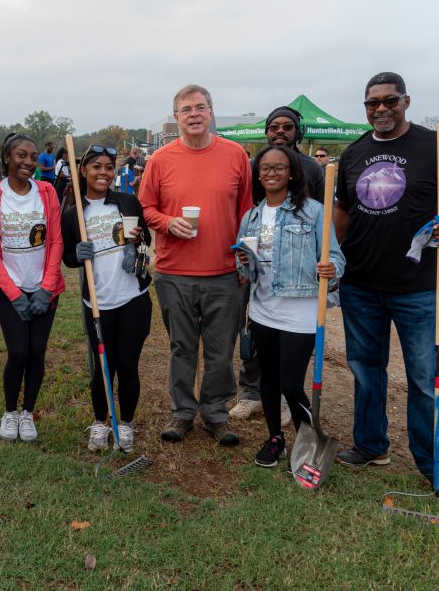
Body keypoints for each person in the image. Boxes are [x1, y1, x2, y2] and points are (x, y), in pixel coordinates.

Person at [334, 72, 439, 502]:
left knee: (425, 378)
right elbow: (343, 208)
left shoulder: (433, 147)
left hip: (418, 286)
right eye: (372, 103)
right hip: (361, 283)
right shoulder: (355, 152)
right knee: (365, 370)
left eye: (389, 101)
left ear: (406, 101)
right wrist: (333, 252)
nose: (380, 109)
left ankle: (435, 464)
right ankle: (370, 445)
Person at [139, 84, 253, 445]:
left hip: (224, 272)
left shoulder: (235, 156)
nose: (194, 114)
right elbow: (146, 208)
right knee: (182, 348)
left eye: (200, 107)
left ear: (211, 112)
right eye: (186, 109)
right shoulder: (160, 159)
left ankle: (216, 414)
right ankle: (183, 412)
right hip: (174, 273)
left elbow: (246, 210)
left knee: (221, 350)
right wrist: (166, 222)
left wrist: (243, 255)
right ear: (176, 118)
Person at [235, 145, 344, 467]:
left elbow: (335, 256)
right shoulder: (251, 217)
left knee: (290, 383)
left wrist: (332, 268)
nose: (271, 172)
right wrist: (243, 263)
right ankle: (275, 440)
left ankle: (309, 443)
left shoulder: (313, 212)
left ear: (292, 172)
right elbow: (246, 271)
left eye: (279, 167)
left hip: (301, 311)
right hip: (263, 309)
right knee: (268, 378)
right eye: (265, 167)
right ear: (258, 174)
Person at [231, 106, 325, 426]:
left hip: (298, 267)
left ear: (297, 131)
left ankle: (288, 397)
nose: (280, 131)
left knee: (290, 345)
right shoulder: (254, 165)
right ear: (266, 131)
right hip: (260, 257)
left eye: (287, 126)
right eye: (274, 126)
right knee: (253, 331)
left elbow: (324, 219)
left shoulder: (312, 168)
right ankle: (251, 393)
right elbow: (247, 207)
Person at [62, 144, 152, 452]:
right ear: (84, 171)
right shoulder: (74, 213)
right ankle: (101, 422)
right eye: (97, 167)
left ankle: (125, 423)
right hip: (98, 302)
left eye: (109, 167)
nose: (104, 173)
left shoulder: (127, 201)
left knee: (127, 364)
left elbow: (146, 239)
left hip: (132, 298)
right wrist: (76, 254)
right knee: (103, 366)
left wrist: (137, 242)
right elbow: (67, 258)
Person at [0, 133, 65, 443]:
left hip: (44, 288)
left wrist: (46, 288)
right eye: (21, 155)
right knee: (18, 352)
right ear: (6, 157)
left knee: (37, 352)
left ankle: (28, 413)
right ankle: (10, 412)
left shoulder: (46, 191)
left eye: (32, 156)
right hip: (9, 288)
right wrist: (14, 294)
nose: (28, 162)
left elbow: (55, 240)